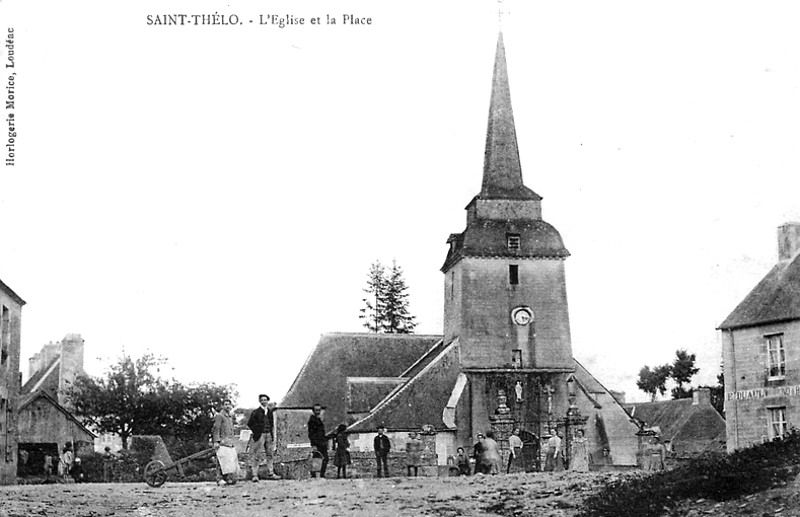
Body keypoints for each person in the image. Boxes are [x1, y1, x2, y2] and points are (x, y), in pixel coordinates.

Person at [247, 394, 280, 481]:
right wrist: (257, 431)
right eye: (262, 400)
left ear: (267, 401)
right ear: (260, 401)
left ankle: (271, 473)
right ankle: (254, 475)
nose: (264, 401)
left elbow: (272, 424)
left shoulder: (269, 412)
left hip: (268, 434)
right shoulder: (256, 412)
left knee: (270, 454)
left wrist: (272, 435)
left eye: (265, 400)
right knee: (257, 455)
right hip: (260, 435)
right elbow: (250, 423)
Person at [212, 399, 239, 485]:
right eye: (225, 404)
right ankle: (219, 478)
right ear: (223, 406)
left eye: (229, 405)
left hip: (229, 442)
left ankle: (227, 478)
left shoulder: (230, 417)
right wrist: (216, 441)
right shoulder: (220, 416)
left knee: (228, 461)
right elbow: (216, 429)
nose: (227, 406)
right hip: (222, 442)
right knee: (221, 460)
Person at [307, 404, 329, 478]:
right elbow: (311, 433)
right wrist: (313, 444)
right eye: (316, 410)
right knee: (317, 459)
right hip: (317, 443)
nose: (318, 412)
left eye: (319, 410)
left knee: (325, 458)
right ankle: (315, 475)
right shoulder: (312, 421)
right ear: (313, 411)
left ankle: (321, 474)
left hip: (322, 442)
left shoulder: (319, 420)